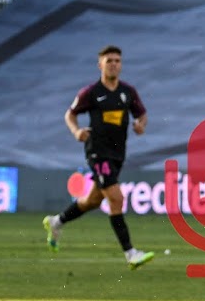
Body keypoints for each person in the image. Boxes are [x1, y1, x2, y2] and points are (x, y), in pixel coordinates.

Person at [42, 45, 155, 269]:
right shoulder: (91, 93)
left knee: (93, 200)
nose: (113, 64)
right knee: (116, 198)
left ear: (121, 64)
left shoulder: (127, 92)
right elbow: (70, 114)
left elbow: (142, 114)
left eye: (117, 60)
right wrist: (76, 131)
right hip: (97, 152)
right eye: (109, 60)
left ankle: (57, 221)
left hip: (117, 153)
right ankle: (131, 253)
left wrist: (140, 125)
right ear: (100, 64)